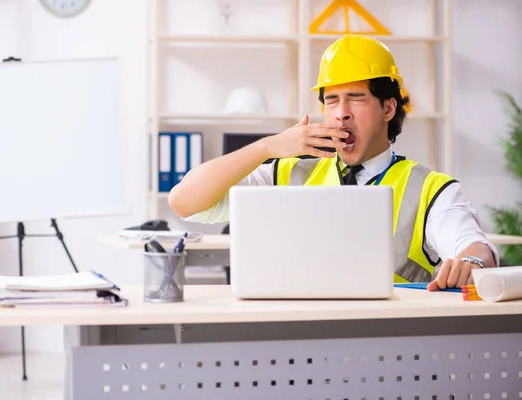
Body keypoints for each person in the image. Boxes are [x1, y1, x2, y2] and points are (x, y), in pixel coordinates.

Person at [168, 34, 498, 291]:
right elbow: (184, 201)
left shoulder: (431, 190)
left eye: (356, 97)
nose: (341, 112)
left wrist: (471, 262)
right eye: (331, 100)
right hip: (290, 342)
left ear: (388, 109)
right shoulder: (286, 174)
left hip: (388, 350)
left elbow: (476, 248)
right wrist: (267, 146)